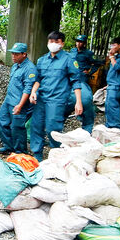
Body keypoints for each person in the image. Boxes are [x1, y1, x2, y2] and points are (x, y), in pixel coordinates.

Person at [29, 31, 83, 161]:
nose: (53, 44)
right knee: (36, 126)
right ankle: (37, 156)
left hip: (57, 100)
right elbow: (38, 79)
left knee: (53, 129)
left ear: (62, 44)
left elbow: (76, 81)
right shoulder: (42, 60)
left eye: (56, 41)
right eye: (51, 41)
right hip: (41, 99)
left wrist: (78, 102)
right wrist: (33, 92)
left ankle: (56, 156)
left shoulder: (69, 59)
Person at [0, 43, 37, 154]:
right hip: (9, 100)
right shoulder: (15, 66)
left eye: (16, 54)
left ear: (24, 54)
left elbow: (28, 89)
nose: (13, 56)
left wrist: (20, 105)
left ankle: (20, 152)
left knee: (17, 128)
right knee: (1, 120)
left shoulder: (30, 69)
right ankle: (9, 146)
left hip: (19, 102)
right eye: (12, 53)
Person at [66, 35, 98, 133]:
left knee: (83, 96)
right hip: (72, 76)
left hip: (82, 77)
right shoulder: (72, 51)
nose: (78, 43)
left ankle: (82, 115)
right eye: (77, 41)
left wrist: (90, 72)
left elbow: (97, 63)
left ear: (84, 43)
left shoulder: (88, 53)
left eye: (80, 42)